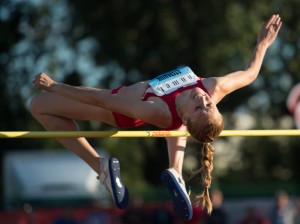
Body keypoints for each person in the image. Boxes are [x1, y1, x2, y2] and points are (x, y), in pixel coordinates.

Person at [30, 14, 282, 221]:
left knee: (38, 106)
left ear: (186, 116)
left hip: (116, 108)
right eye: (209, 105)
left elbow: (101, 99)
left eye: (200, 107)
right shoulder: (213, 88)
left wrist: (57, 87)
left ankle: (101, 167)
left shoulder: (158, 110)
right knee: (176, 121)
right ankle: (176, 171)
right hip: (160, 111)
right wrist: (263, 44)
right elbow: (249, 74)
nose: (202, 100)